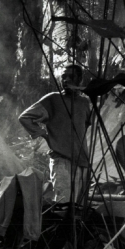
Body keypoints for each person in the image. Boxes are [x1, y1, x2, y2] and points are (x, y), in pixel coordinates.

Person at [19, 64, 92, 203]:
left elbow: (87, 126)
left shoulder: (84, 102)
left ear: (80, 79)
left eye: (71, 76)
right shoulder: (53, 99)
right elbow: (25, 117)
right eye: (64, 76)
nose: (66, 80)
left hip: (81, 160)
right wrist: (44, 134)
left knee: (78, 204)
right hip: (61, 158)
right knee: (64, 202)